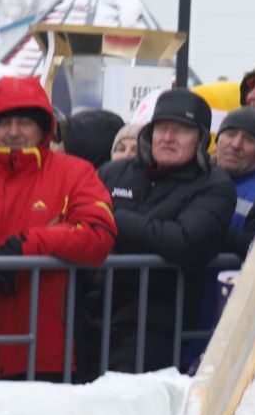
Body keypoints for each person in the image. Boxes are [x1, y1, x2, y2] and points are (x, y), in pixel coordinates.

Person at [0, 77, 115, 384]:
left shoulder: (75, 174)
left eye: (24, 122)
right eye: (4, 122)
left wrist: (29, 244)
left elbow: (98, 234)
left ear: (42, 127)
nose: (13, 132)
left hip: (46, 350)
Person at [93, 88, 235, 374]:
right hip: (89, 309)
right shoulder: (114, 172)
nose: (168, 138)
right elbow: (81, 220)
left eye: (181, 130)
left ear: (201, 139)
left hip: (154, 321)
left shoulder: (214, 185)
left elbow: (186, 242)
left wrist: (116, 220)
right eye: (162, 128)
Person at [180, 107, 255, 371]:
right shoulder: (191, 179)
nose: (236, 144)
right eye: (230, 134)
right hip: (179, 306)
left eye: (248, 139)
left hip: (218, 315)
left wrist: (209, 229)